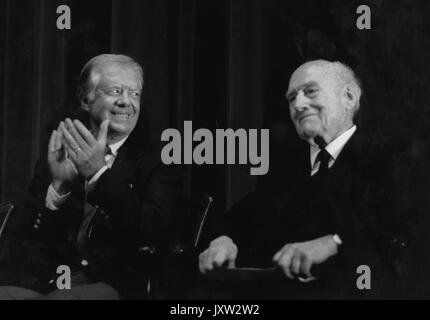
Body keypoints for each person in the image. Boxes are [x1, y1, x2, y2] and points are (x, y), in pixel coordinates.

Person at [199, 60, 408, 299]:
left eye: (310, 91)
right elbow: (233, 220)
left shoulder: (390, 162)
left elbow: (401, 236)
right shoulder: (287, 167)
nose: (298, 105)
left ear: (348, 97)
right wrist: (222, 241)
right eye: (291, 98)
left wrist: (333, 243)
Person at [0, 54, 182, 299]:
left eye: (134, 93)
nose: (126, 102)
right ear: (86, 100)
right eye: (116, 90)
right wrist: (58, 189)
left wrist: (99, 175)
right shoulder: (61, 154)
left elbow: (150, 230)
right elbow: (19, 247)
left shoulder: (159, 161)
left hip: (115, 286)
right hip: (52, 284)